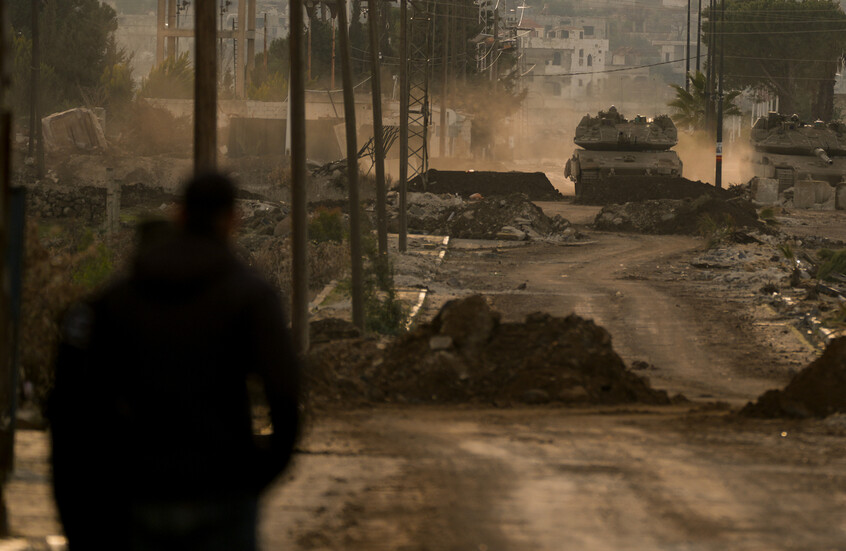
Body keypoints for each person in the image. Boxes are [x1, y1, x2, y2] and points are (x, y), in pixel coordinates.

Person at [49, 172, 301, 550]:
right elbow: (285, 396)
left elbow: (74, 409)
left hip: (140, 490)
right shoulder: (251, 297)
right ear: (234, 220)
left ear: (178, 214)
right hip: (222, 492)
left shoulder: (116, 300)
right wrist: (254, 477)